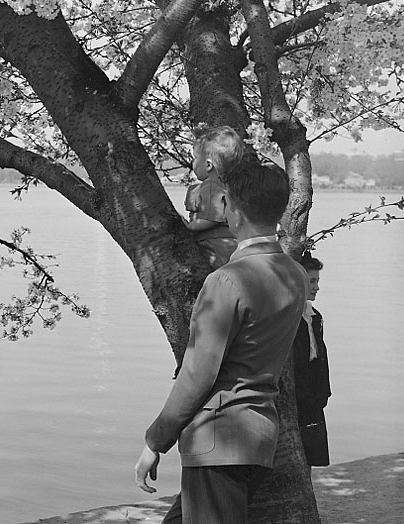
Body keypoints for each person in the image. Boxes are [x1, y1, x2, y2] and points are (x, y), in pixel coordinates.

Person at [135, 160, 308, 524]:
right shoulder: (294, 273)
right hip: (258, 433)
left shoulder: (227, 281)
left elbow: (197, 374)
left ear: (234, 209)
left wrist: (155, 442)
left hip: (219, 436)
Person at [183, 125, 245, 268]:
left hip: (216, 246)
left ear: (208, 165)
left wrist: (189, 227)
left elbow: (211, 219)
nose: (193, 163)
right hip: (233, 244)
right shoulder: (231, 185)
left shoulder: (211, 186)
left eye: (195, 158)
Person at [293, 252, 331, 467]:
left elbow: (320, 360)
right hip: (297, 397)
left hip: (313, 399)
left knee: (310, 459)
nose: (317, 287)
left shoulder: (314, 316)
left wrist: (323, 393)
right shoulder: (288, 318)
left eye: (317, 281)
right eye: (312, 281)